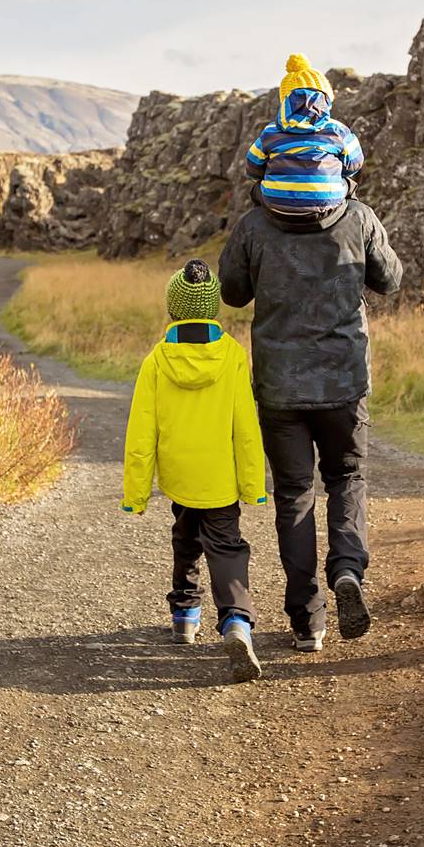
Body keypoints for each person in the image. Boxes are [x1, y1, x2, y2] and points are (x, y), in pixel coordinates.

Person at [220, 120, 403, 653]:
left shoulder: (254, 226)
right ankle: (347, 571)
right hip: (345, 381)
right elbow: (390, 280)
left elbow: (231, 293)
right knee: (347, 478)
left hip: (279, 386)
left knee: (295, 495)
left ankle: (308, 620)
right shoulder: (360, 218)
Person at [121, 259, 269, 683]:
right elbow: (246, 426)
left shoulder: (156, 360)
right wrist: (252, 485)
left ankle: (185, 615)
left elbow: (141, 430)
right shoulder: (233, 357)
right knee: (227, 546)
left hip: (179, 474)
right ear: (212, 310)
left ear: (173, 309)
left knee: (185, 538)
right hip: (220, 476)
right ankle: (237, 621)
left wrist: (136, 493)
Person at [243, 53, 364, 216]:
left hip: (276, 204)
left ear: (284, 101)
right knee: (349, 184)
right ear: (327, 99)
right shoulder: (338, 130)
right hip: (327, 204)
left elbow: (252, 167)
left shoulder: (270, 131)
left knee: (257, 188)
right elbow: (355, 164)